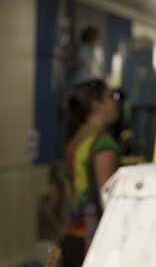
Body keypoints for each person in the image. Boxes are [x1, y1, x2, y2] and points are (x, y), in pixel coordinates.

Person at [60, 80, 120, 267]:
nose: (117, 102)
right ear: (96, 105)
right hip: (93, 240)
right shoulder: (102, 144)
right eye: (111, 96)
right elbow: (108, 198)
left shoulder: (75, 140)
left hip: (71, 235)